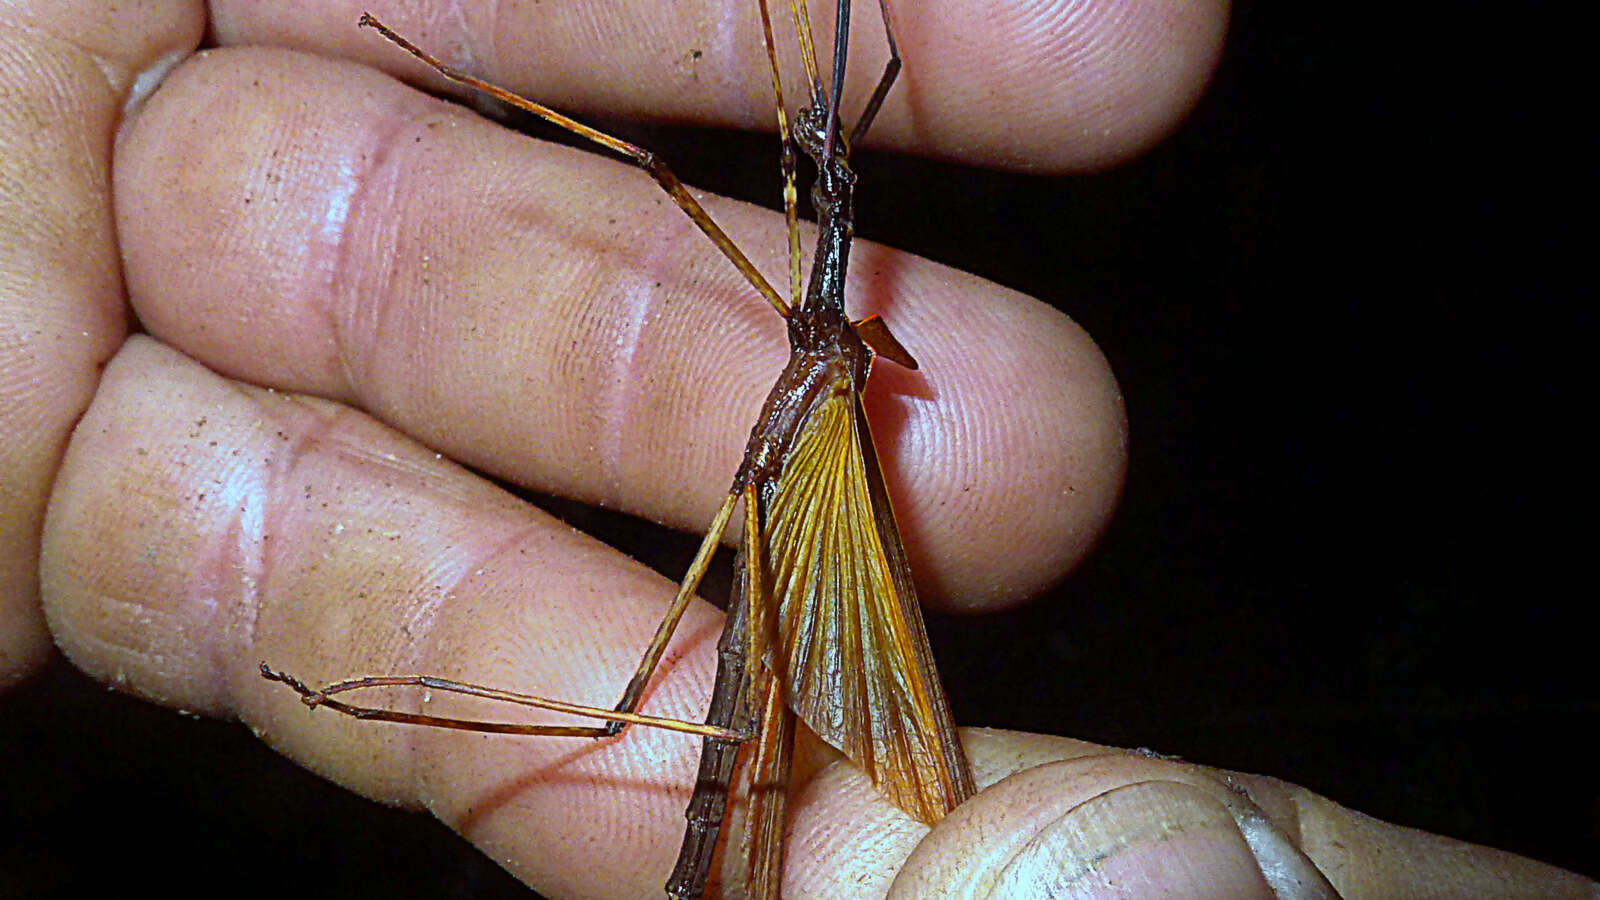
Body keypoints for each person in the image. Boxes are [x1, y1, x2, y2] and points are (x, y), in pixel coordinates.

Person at [1, 1, 1591, 896]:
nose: (822, 181)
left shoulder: (830, 345)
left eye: (824, 178)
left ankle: (404, 701)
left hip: (787, 559)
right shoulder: (828, 327)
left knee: (664, 717)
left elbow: (816, 268)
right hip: (792, 480)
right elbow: (841, 202)